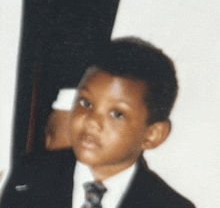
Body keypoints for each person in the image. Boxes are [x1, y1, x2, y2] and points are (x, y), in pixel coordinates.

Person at [0, 37, 195, 208]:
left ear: (153, 135)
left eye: (117, 114)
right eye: (86, 103)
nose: (92, 121)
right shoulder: (31, 176)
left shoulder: (169, 205)